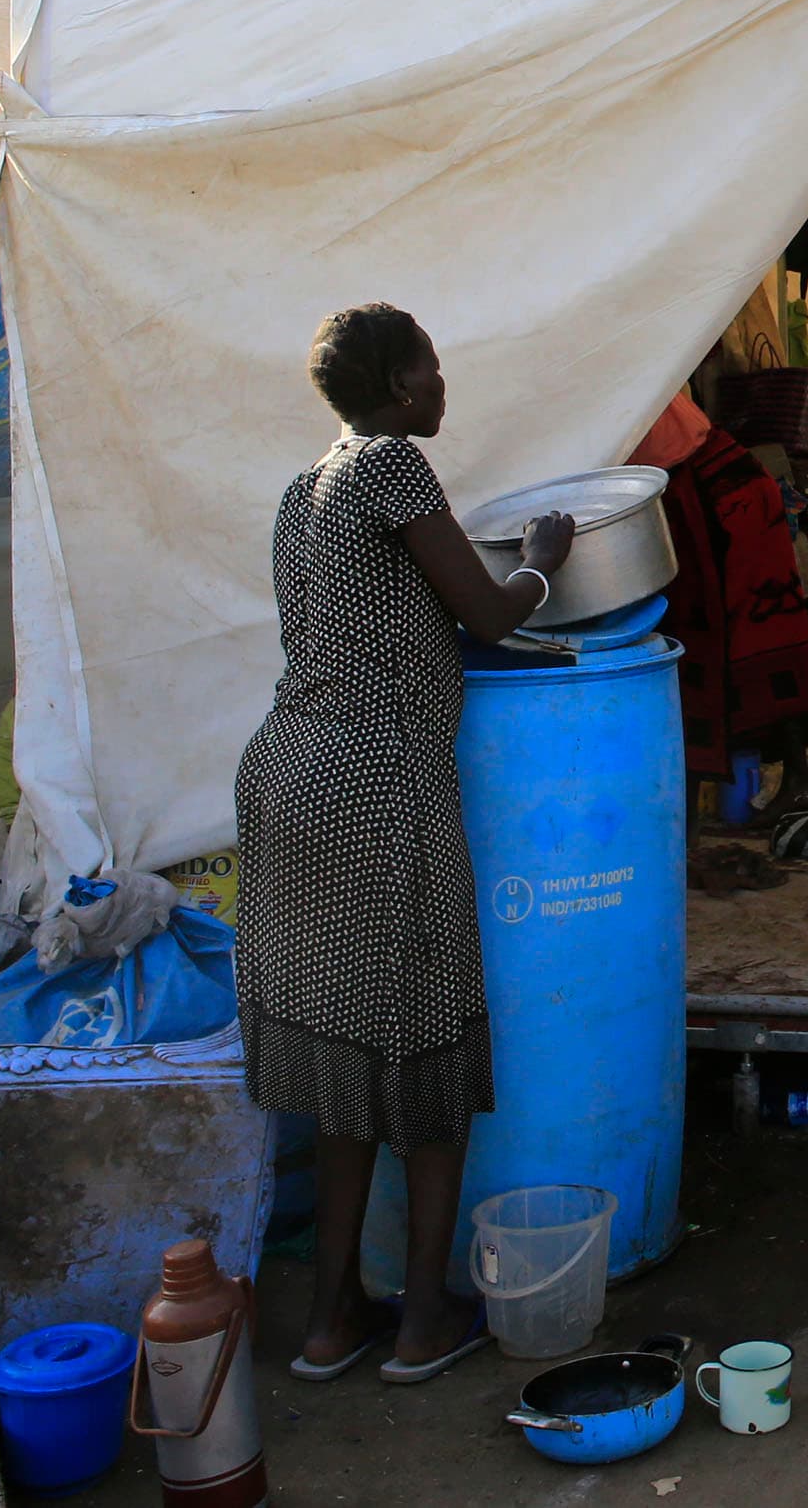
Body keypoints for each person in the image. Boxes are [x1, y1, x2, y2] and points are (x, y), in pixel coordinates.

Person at [233, 303, 574, 1384]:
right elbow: (483, 612)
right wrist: (546, 560)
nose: (442, 383)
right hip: (376, 782)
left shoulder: (304, 489)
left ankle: (334, 1321)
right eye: (429, 366)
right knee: (422, 1048)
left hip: (287, 772)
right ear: (393, 379)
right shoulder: (388, 467)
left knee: (345, 1060)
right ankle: (424, 1320)